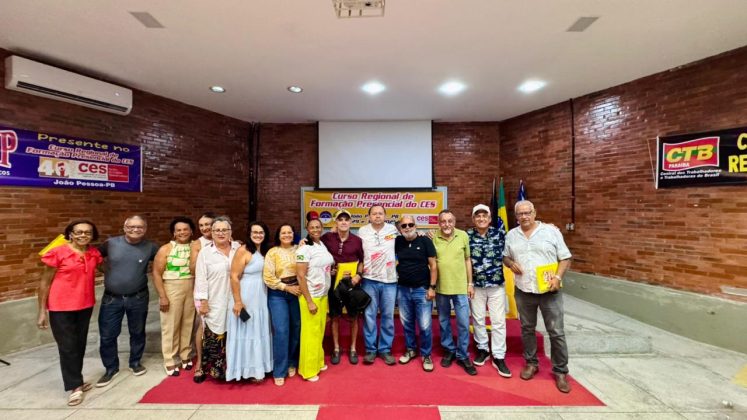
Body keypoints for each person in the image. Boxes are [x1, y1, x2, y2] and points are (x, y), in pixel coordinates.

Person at [503, 200, 573, 393]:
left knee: (556, 331)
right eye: (520, 213)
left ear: (534, 213)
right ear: (516, 216)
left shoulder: (551, 232)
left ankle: (560, 371)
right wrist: (510, 263)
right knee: (527, 329)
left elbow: (565, 257)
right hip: (524, 289)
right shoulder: (511, 235)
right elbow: (505, 256)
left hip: (549, 291)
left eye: (528, 212)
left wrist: (558, 277)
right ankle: (531, 363)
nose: (524, 216)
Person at [38, 219, 103, 406]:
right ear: (71, 234)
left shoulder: (93, 253)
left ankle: (77, 380)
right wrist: (42, 311)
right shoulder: (58, 253)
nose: (83, 235)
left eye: (88, 232)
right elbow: (44, 283)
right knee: (67, 347)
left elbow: (106, 269)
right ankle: (74, 386)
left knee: (79, 345)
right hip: (60, 307)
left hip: (85, 305)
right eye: (79, 232)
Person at [96, 215, 158, 387]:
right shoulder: (110, 244)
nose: (135, 230)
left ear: (145, 229)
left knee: (137, 331)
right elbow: (93, 257)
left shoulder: (151, 247)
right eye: (131, 227)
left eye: (140, 227)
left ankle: (135, 362)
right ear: (124, 228)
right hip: (111, 298)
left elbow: (161, 264)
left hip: (138, 297)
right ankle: (111, 368)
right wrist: (105, 270)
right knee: (107, 335)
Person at [193, 216, 240, 382]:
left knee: (234, 333)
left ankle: (234, 369)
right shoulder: (205, 253)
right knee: (212, 334)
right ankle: (207, 367)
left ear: (230, 232)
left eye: (224, 230)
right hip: (214, 300)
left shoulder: (238, 249)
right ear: (211, 233)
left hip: (235, 299)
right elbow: (201, 278)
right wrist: (203, 302)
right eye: (217, 230)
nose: (221, 233)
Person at [467, 204, 512, 377]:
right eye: (478, 216)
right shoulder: (467, 236)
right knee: (478, 319)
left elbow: (516, 243)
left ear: (490, 218)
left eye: (484, 215)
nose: (481, 219)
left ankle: (499, 356)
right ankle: (483, 349)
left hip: (496, 285)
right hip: (476, 286)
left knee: (498, 321)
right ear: (473, 219)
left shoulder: (500, 234)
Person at [227, 221, 273, 382]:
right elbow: (234, 276)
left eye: (261, 232)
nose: (258, 235)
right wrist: (238, 301)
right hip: (246, 294)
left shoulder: (265, 250)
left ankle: (260, 367)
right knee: (247, 331)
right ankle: (248, 370)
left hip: (261, 295)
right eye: (255, 232)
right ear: (249, 234)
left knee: (259, 330)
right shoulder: (243, 250)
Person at [432, 209, 476, 376]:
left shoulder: (463, 236)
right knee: (444, 322)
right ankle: (449, 350)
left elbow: (467, 260)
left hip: (460, 288)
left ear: (454, 222)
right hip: (441, 288)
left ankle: (463, 355)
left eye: (450, 221)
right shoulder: (433, 237)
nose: (447, 224)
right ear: (439, 223)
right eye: (443, 221)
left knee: (463, 323)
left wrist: (470, 283)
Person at [152, 216, 197, 376]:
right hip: (172, 286)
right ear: (174, 232)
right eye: (178, 230)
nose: (182, 232)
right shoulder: (166, 249)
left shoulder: (196, 246)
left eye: (185, 229)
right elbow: (156, 273)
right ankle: (170, 359)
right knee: (170, 324)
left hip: (192, 286)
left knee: (188, 322)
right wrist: (162, 296)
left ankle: (185, 354)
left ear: (191, 231)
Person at [319, 209, 364, 365]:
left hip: (352, 284)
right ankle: (336, 348)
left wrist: (359, 275)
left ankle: (353, 348)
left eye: (346, 219)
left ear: (350, 222)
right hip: (334, 284)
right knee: (335, 316)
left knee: (354, 316)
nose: (343, 222)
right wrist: (328, 269)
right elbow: (315, 247)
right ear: (336, 222)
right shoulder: (327, 238)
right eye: (340, 219)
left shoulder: (357, 240)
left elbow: (362, 261)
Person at [394, 215, 438, 372]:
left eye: (410, 224)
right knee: (407, 323)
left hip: (422, 289)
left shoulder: (425, 241)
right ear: (400, 228)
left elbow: (433, 266)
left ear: (415, 225)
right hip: (403, 289)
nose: (407, 228)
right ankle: (411, 349)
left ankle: (426, 355)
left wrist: (432, 287)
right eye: (404, 225)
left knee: (425, 325)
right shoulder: (397, 241)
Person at [358, 204, 399, 365]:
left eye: (380, 213)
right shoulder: (362, 231)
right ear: (369, 216)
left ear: (385, 215)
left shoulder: (393, 230)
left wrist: (422, 234)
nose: (377, 216)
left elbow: (408, 237)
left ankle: (385, 349)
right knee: (369, 315)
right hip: (369, 279)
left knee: (388, 316)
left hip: (389, 280)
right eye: (374, 213)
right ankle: (370, 349)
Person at [296, 219, 335, 381]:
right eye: (312, 227)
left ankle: (318, 362)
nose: (315, 230)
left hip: (322, 295)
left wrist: (329, 271)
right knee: (310, 334)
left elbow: (321, 266)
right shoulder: (304, 248)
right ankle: (308, 370)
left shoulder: (321, 244)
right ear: (307, 229)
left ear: (322, 228)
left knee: (319, 332)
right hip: (311, 296)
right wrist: (309, 301)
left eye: (318, 227)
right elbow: (300, 275)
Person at [263, 224, 301, 386]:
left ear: (293, 234)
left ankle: (292, 361)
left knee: (296, 328)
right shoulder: (273, 252)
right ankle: (279, 370)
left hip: (297, 292)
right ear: (278, 235)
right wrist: (286, 288)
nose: (286, 235)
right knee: (281, 330)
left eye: (289, 232)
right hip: (278, 294)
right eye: (283, 233)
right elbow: (268, 277)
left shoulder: (300, 249)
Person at [189, 211, 216, 375]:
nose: (205, 228)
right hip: (204, 289)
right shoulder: (197, 244)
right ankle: (200, 360)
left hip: (222, 288)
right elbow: (193, 269)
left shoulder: (227, 239)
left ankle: (219, 358)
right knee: (203, 324)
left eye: (208, 224)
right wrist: (205, 255)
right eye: (201, 225)